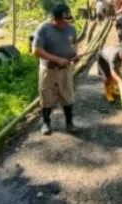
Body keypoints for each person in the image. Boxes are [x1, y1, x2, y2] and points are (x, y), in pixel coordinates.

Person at [32, 3, 79, 135]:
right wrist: (57, 59)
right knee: (46, 95)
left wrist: (74, 54)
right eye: (63, 21)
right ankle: (46, 123)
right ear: (55, 19)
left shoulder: (71, 29)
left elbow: (74, 44)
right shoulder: (43, 29)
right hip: (49, 70)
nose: (66, 24)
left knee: (67, 95)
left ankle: (69, 122)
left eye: (68, 21)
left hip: (65, 69)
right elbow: (36, 50)